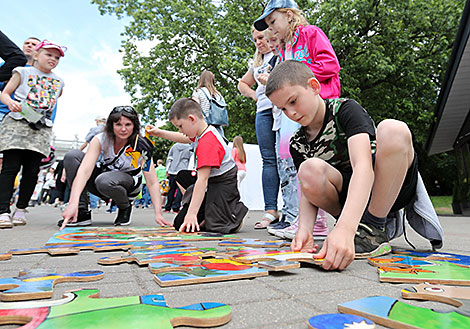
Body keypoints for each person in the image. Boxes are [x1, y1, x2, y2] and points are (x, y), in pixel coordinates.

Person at [265, 60, 442, 270]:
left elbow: (363, 167)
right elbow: (307, 189)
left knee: (393, 129)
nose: (291, 113)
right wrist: (304, 230)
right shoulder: (297, 142)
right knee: (308, 169)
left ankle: (373, 227)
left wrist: (344, 228)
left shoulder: (345, 110)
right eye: (283, 109)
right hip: (347, 195)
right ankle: (355, 227)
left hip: (386, 186)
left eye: (293, 101)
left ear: (314, 87)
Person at [59, 106, 172, 229]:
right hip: (102, 180)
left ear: (134, 126)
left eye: (128, 125)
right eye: (118, 124)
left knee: (104, 180)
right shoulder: (100, 139)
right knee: (72, 156)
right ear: (111, 125)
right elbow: (84, 171)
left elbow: (152, 182)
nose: (123, 129)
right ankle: (81, 212)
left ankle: (125, 207)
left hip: (126, 184)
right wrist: (73, 203)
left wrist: (158, 213)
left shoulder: (141, 144)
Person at [146, 98, 248, 234]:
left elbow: (202, 180)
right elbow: (183, 138)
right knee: (182, 179)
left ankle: (233, 214)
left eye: (180, 126)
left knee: (211, 226)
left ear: (191, 119)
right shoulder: (202, 131)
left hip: (222, 184)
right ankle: (206, 211)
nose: (180, 131)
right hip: (213, 182)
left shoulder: (208, 141)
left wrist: (192, 214)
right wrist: (159, 132)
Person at [0, 40, 65, 228]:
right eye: (48, 54)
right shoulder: (22, 71)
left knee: (32, 171)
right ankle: (3, 210)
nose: (52, 59)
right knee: (10, 167)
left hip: (41, 127)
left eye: (56, 57)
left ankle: (21, 209)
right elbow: (5, 92)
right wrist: (10, 102)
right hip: (17, 123)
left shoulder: (60, 81)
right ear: (36, 55)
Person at [238, 27, 280, 229]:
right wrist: (255, 95)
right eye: (255, 39)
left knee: (287, 158)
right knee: (268, 159)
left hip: (281, 109)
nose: (258, 42)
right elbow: (242, 84)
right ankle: (271, 210)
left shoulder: (281, 52)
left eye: (261, 37)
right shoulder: (257, 62)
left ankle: (294, 210)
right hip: (263, 112)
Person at [192, 70, 227, 137]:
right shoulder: (218, 95)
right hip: (218, 128)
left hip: (204, 126)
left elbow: (194, 107)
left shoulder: (198, 91)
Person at [165, 143, 192, 213]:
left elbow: (169, 158)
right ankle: (176, 207)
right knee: (180, 191)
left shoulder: (174, 146)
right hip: (183, 171)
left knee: (171, 190)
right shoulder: (189, 147)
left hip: (172, 171)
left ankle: (168, 207)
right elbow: (191, 160)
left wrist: (167, 169)